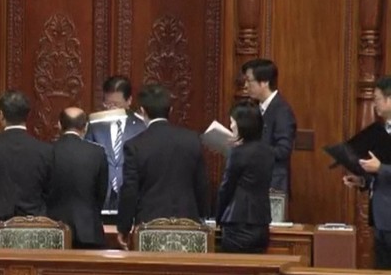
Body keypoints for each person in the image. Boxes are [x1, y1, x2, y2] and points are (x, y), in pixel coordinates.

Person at [115, 84, 209, 249]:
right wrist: (202, 216)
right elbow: (202, 184)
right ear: (170, 110)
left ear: (142, 111)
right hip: (188, 223)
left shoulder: (135, 145)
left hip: (149, 225)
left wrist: (124, 227)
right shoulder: (192, 140)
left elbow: (130, 190)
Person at [0, 90, 52, 245]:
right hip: (34, 230)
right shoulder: (45, 151)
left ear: (1, 115)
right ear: (28, 116)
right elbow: (50, 190)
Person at [345, 76, 391, 275]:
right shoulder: (383, 131)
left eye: (378, 99)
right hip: (381, 218)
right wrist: (363, 181)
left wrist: (380, 168)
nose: (375, 104)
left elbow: (383, 168)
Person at [216, 100, 273, 253]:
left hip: (238, 223)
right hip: (262, 222)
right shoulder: (268, 152)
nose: (231, 126)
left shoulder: (237, 153)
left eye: (233, 122)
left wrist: (218, 217)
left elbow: (226, 188)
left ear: (242, 125)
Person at [47, 107, 108, 249]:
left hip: (53, 230)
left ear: (59, 125)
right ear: (85, 127)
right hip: (89, 230)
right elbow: (102, 192)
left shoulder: (47, 151)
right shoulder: (97, 152)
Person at [84, 75, 146, 210]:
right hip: (101, 194)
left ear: (129, 101)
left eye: (116, 104)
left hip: (131, 194)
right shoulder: (95, 125)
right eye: (108, 104)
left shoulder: (141, 126)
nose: (111, 109)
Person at [242, 58, 296, 194]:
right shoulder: (256, 107)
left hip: (272, 184)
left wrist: (253, 150)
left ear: (264, 82)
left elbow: (283, 150)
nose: (245, 86)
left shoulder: (282, 110)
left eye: (249, 80)